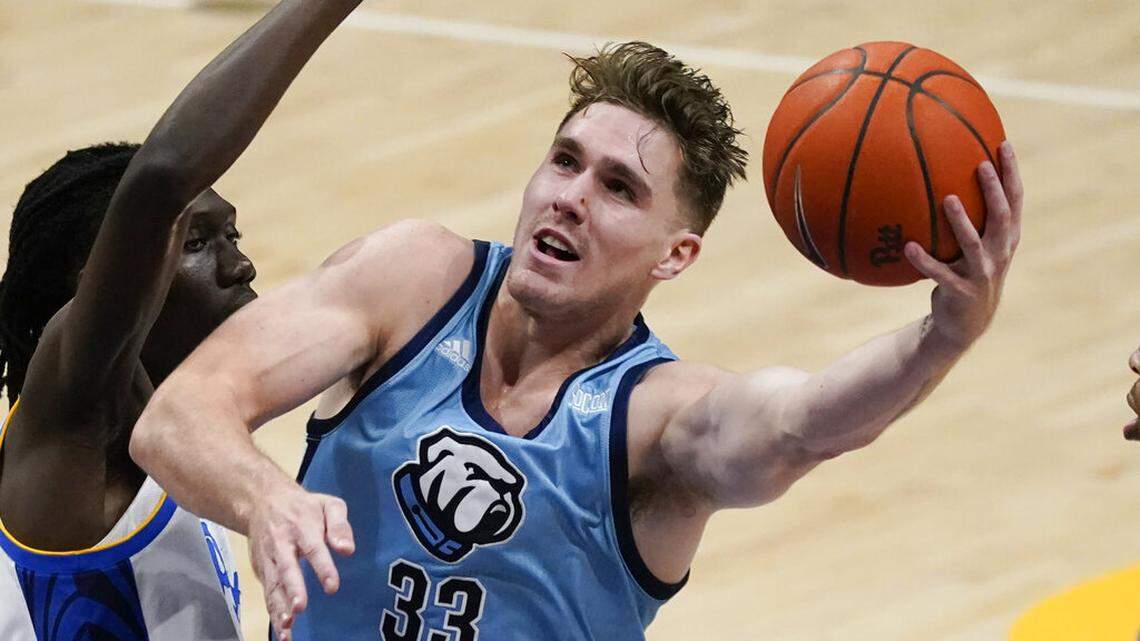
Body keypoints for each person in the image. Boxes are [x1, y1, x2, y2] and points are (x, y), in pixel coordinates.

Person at [130, 25, 1024, 641]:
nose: (570, 196)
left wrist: (940, 340)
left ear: (675, 256)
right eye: (564, 161)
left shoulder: (654, 420)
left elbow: (799, 422)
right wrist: (264, 497)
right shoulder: (412, 280)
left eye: (618, 188)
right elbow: (178, 415)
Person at [0, 0, 362, 637]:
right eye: (196, 243)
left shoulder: (168, 426)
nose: (241, 265)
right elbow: (162, 179)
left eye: (232, 234)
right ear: (99, 285)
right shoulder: (77, 428)